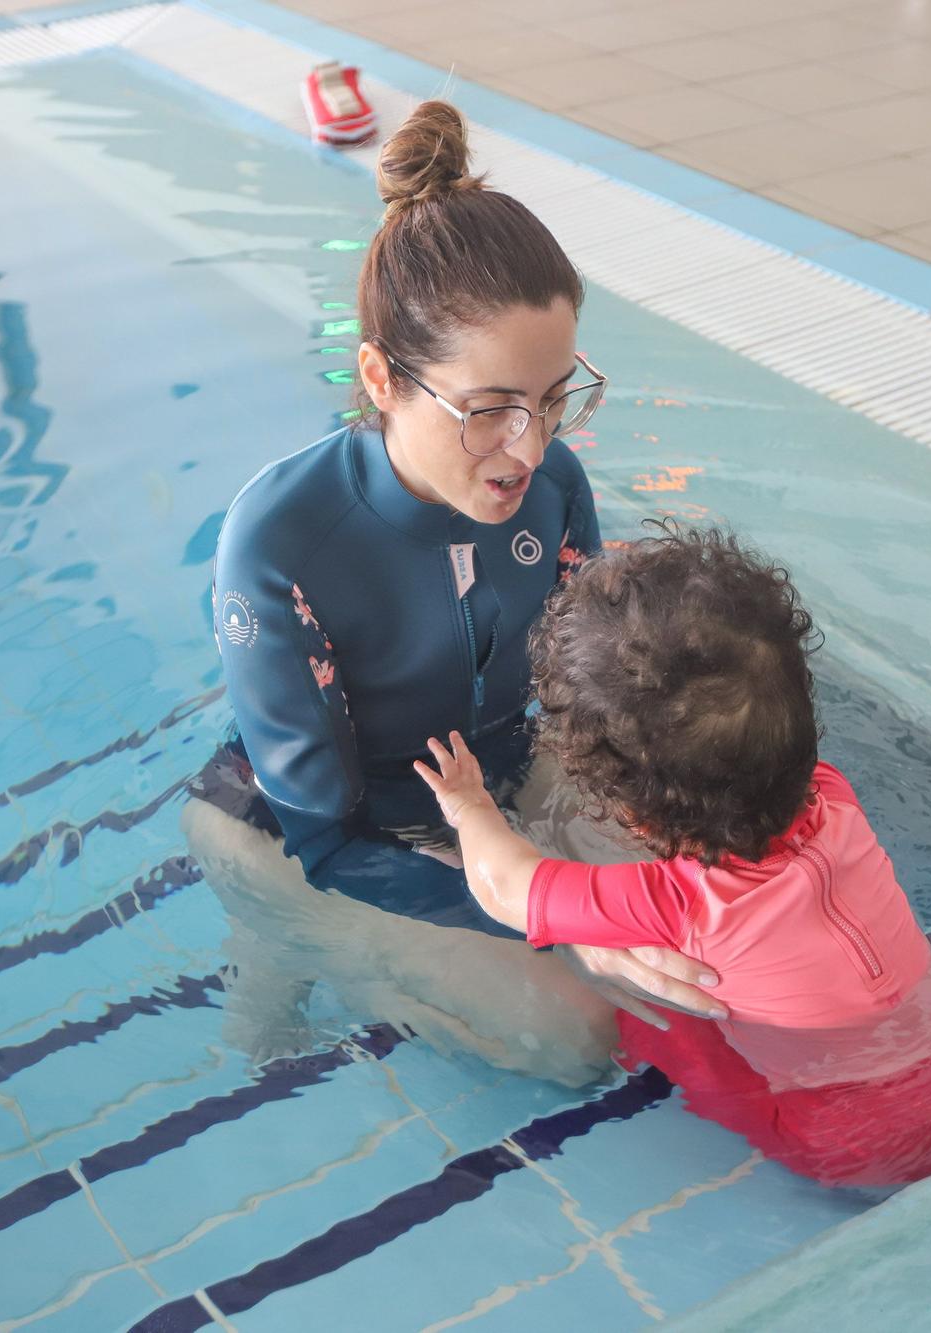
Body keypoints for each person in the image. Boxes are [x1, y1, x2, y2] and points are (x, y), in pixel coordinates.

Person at [184, 100, 722, 1076]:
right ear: (380, 379)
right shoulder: (279, 546)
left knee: (702, 934)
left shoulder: (550, 484)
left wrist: (609, 866)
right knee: (576, 1036)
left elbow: (582, 704)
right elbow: (329, 837)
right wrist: (560, 915)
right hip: (302, 836)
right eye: (488, 411)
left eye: (555, 398)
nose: (530, 447)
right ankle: (318, 950)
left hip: (488, 776)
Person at [415, 528, 931, 1185]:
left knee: (649, 1014)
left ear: (634, 815)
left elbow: (505, 886)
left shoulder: (680, 903)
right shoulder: (836, 799)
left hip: (850, 1144)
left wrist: (469, 807)